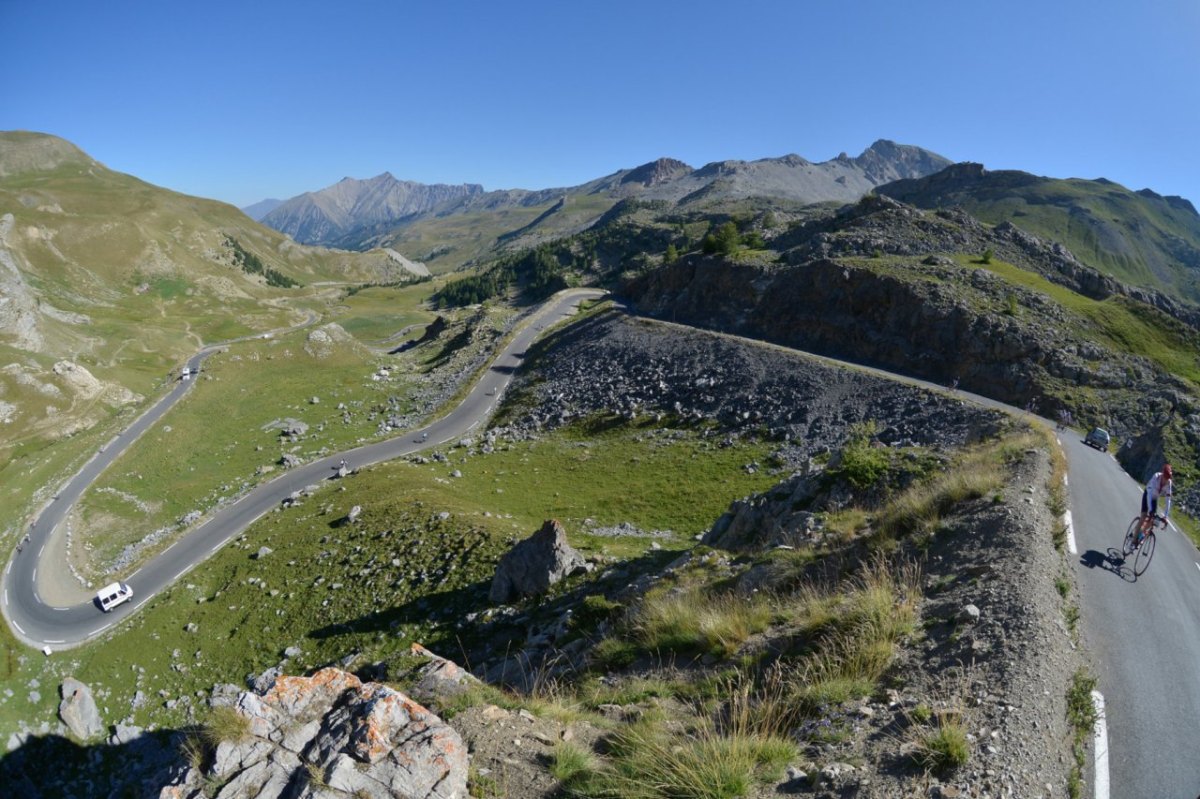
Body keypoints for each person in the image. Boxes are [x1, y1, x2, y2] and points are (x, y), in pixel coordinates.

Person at [1136, 464, 1173, 546]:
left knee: (1153, 520)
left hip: (1155, 498)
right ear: (1162, 474)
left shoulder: (1169, 483)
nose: (1166, 480)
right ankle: (1133, 540)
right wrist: (1150, 510)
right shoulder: (1156, 476)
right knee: (1144, 516)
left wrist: (1165, 516)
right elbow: (1149, 495)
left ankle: (1141, 533)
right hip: (1148, 494)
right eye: (1165, 477)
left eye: (1168, 478)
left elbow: (1168, 500)